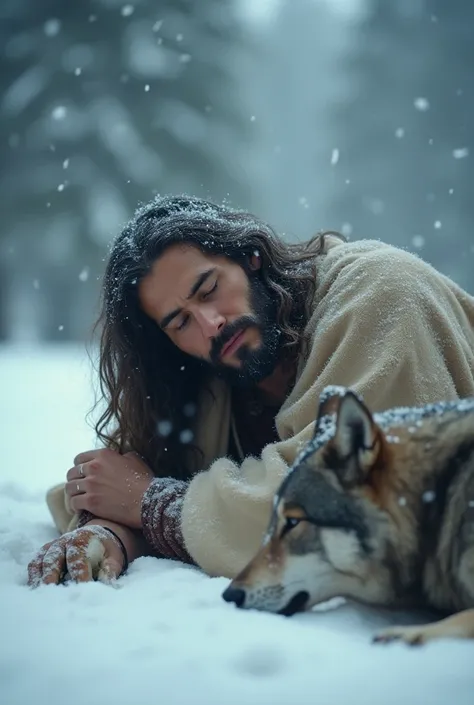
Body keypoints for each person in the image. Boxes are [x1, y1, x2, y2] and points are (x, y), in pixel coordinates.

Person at [27, 195, 474, 587]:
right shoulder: (212, 374)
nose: (210, 323)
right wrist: (109, 532)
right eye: (180, 322)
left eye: (208, 289)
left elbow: (355, 503)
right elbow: (114, 479)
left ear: (250, 256)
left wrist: (151, 506)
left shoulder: (382, 293)